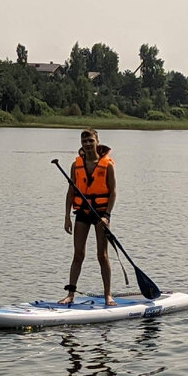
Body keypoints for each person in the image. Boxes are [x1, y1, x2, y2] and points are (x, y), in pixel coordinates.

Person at [60, 129, 117, 306]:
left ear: (97, 141)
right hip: (82, 213)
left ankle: (108, 295)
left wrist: (107, 215)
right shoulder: (75, 165)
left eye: (91, 141)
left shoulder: (107, 165)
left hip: (101, 214)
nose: (87, 144)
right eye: (84, 141)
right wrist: (67, 217)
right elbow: (71, 191)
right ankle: (70, 294)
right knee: (78, 254)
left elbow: (113, 191)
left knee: (102, 255)